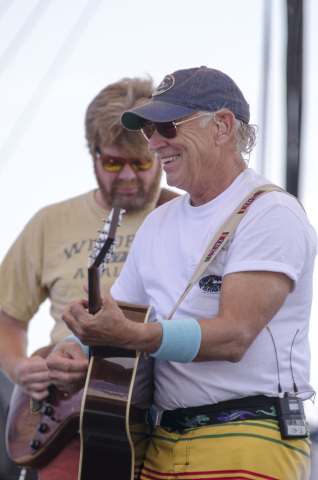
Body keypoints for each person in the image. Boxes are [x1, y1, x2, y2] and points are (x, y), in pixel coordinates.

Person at [47, 67, 317, 480]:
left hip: (250, 438)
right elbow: (118, 313)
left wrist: (132, 336)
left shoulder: (270, 211)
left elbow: (234, 335)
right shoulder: (159, 222)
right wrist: (73, 347)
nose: (154, 142)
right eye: (150, 130)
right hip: (159, 444)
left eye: (168, 127)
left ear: (222, 126)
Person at [0, 76, 178, 480]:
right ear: (93, 154)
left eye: (143, 163)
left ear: (162, 155)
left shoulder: (186, 218)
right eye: (114, 162)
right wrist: (19, 367)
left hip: (163, 424)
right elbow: (7, 317)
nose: (129, 177)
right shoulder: (49, 222)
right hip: (65, 425)